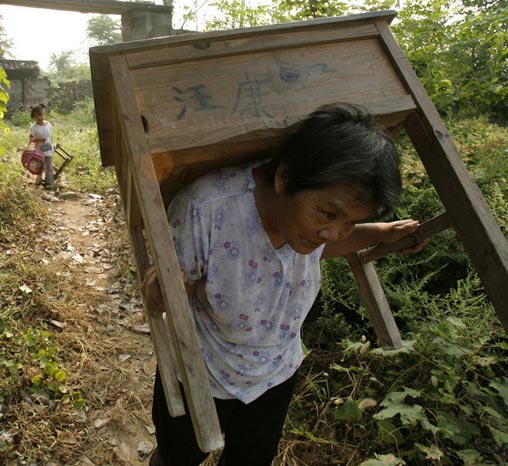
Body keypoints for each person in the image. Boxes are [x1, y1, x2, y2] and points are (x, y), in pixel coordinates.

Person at [141, 103, 426, 466]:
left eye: (351, 222)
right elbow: (163, 291)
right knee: (177, 457)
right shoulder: (207, 208)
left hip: (275, 372)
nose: (333, 232)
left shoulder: (308, 222)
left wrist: (380, 234)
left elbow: (326, 243)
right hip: (203, 371)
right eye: (328, 213)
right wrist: (162, 291)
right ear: (285, 178)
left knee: (252, 458)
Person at [28, 104, 54, 187]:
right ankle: (38, 180)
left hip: (49, 150)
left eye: (40, 115)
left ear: (44, 114)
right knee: (39, 167)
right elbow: (31, 139)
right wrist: (39, 140)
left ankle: (48, 183)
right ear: (33, 117)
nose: (39, 117)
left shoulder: (49, 125)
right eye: (36, 116)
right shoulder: (34, 127)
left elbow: (50, 137)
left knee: (49, 167)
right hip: (39, 151)